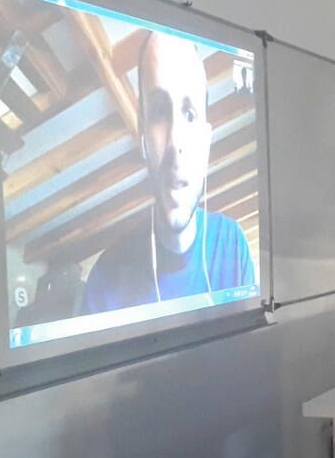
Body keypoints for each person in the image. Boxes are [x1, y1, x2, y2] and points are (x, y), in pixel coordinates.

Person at [82, 32, 256, 314]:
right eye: (160, 112)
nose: (175, 142)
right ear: (142, 137)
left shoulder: (232, 243)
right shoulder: (104, 280)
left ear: (206, 143)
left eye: (190, 115)